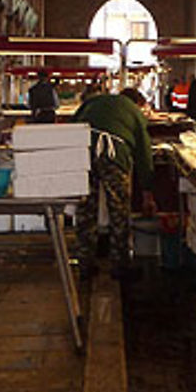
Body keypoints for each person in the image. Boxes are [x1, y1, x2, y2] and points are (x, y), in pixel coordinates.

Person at [74, 84, 156, 281]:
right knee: (118, 210)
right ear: (137, 102)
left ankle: (85, 264)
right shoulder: (134, 112)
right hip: (113, 156)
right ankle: (120, 265)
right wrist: (147, 190)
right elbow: (144, 154)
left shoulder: (94, 101)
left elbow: (73, 123)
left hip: (83, 152)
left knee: (86, 209)